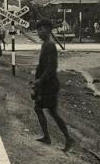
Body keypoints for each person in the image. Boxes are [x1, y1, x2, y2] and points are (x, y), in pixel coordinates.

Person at [31, 19, 73, 151]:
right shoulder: (45, 45)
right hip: (44, 84)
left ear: (48, 30)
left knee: (52, 112)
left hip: (49, 85)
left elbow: (51, 67)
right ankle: (48, 137)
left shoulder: (50, 45)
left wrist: (40, 80)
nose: (39, 32)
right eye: (38, 30)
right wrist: (36, 80)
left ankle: (67, 138)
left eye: (41, 29)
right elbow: (42, 65)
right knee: (40, 108)